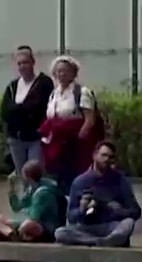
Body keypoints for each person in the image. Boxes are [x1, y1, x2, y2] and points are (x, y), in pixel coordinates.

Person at [55, 141, 142, 247]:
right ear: (95, 156)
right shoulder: (80, 182)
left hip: (110, 226)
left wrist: (118, 211)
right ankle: (97, 241)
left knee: (128, 223)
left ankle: (111, 239)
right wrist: (82, 209)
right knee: (60, 232)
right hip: (87, 227)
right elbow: (70, 216)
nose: (107, 160)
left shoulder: (120, 180)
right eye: (104, 155)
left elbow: (136, 211)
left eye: (111, 157)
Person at [39, 55, 102, 195]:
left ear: (73, 73)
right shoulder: (54, 94)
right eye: (58, 71)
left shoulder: (81, 92)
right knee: (59, 176)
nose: (61, 74)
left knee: (78, 173)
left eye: (65, 71)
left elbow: (89, 120)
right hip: (58, 143)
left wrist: (80, 139)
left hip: (75, 143)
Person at [0, 45, 53, 176]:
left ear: (33, 62)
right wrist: (20, 111)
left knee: (35, 172)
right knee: (21, 175)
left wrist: (18, 111)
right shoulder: (12, 86)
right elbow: (5, 111)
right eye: (19, 63)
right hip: (16, 139)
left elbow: (38, 108)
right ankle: (26, 196)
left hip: (35, 138)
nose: (22, 66)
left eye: (25, 62)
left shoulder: (44, 83)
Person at [0, 159, 63, 243]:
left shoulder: (44, 193)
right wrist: (12, 189)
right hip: (29, 223)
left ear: (27, 177)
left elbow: (34, 218)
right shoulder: (31, 189)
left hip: (46, 228)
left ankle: (15, 235)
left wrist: (18, 222)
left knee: (27, 225)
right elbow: (17, 207)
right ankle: (11, 234)